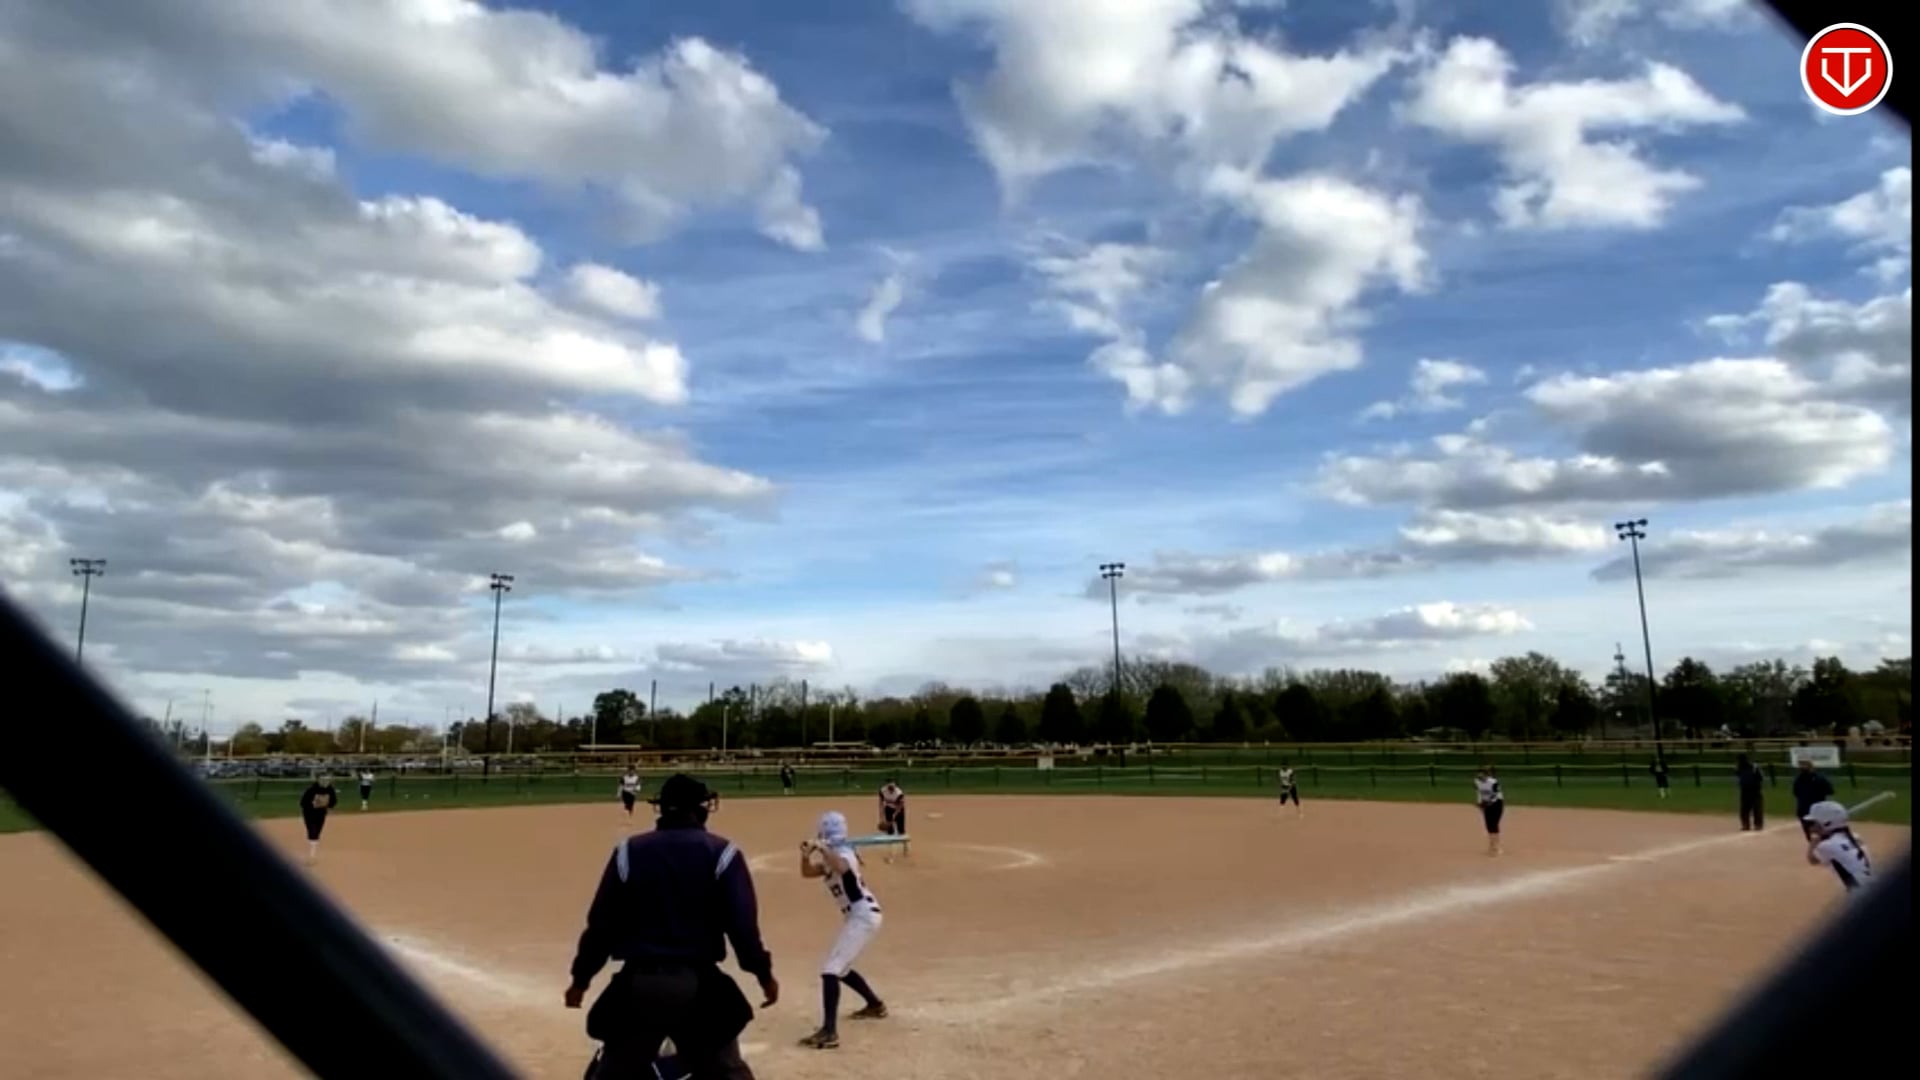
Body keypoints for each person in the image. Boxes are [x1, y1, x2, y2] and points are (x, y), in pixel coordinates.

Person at [566, 774, 779, 1079]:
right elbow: (742, 927)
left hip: (638, 983)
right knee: (727, 1070)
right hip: (699, 985)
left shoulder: (628, 851)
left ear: (663, 808)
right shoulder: (722, 852)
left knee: (613, 1071)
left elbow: (601, 925)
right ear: (701, 809)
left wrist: (581, 979)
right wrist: (763, 974)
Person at [797, 811, 887, 1050]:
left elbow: (842, 867)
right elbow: (807, 873)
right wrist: (805, 856)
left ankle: (829, 1032)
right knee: (842, 968)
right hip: (856, 916)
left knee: (830, 969)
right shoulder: (833, 855)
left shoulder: (845, 854)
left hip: (863, 915)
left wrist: (823, 848)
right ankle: (875, 1005)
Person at [1803, 800, 1874, 894]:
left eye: (1813, 823)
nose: (1811, 828)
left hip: (1858, 893)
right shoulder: (1855, 836)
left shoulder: (1826, 846)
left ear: (1826, 823)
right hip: (1873, 886)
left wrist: (1813, 844)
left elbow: (1812, 860)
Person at [1792, 759, 1836, 839]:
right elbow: (1797, 795)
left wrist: (1829, 809)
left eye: (1804, 765)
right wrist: (1798, 808)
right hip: (1803, 810)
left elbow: (1829, 793)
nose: (1802, 767)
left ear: (1811, 767)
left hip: (1818, 811)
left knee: (1822, 833)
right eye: (1801, 765)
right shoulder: (1798, 780)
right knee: (1809, 834)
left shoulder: (1820, 779)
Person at [299, 773, 337, 864]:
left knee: (317, 832)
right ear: (318, 780)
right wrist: (313, 804)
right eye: (323, 780)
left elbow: (333, 801)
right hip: (309, 813)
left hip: (321, 813)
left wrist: (328, 805)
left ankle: (312, 851)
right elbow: (303, 802)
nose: (325, 782)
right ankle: (312, 855)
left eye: (327, 780)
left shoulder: (330, 789)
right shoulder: (311, 789)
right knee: (312, 831)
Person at [1474, 765, 1503, 856]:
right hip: (1486, 803)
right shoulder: (1477, 781)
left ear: (1486, 775)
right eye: (1478, 774)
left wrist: (1489, 802)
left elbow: (1496, 794)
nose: (1480, 776)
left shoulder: (1493, 782)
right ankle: (1491, 845)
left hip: (1497, 803)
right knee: (1488, 825)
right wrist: (1479, 803)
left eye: (1482, 774)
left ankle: (1497, 847)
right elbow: (1479, 793)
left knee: (1494, 824)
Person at [1735, 754, 1765, 831]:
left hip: (1755, 790)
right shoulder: (1739, 767)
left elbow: (1761, 777)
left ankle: (1758, 824)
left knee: (1757, 808)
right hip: (1745, 790)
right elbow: (1738, 775)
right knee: (1744, 809)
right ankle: (1746, 824)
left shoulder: (1754, 767)